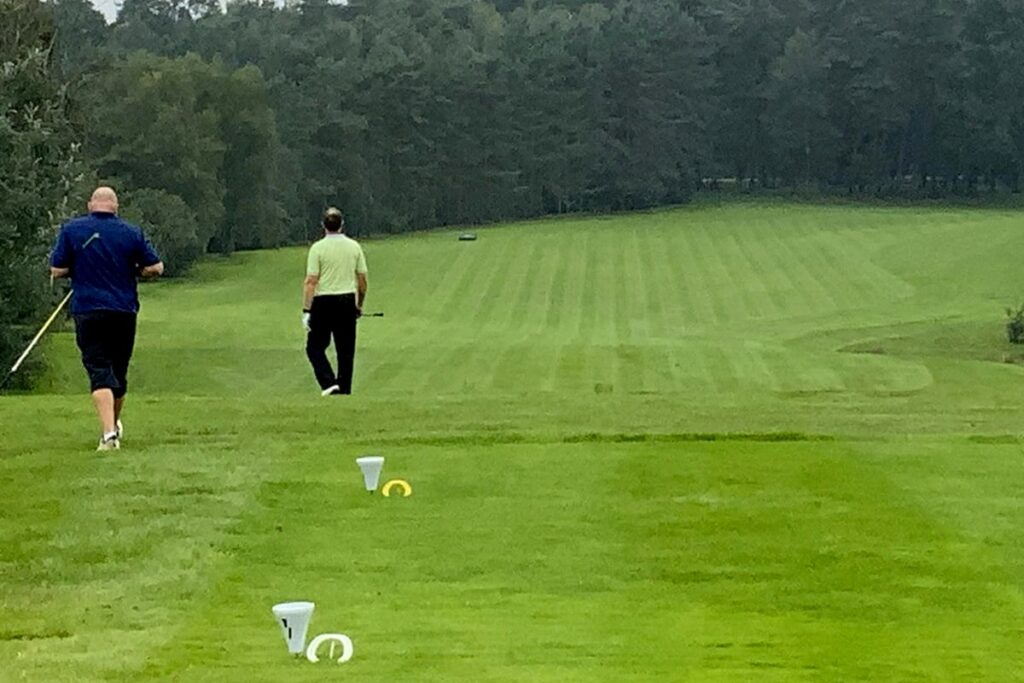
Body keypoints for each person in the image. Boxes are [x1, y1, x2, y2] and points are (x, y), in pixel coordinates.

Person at [50, 187, 164, 450]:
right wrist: (136, 270)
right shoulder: (131, 232)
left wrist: (78, 269)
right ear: (116, 206)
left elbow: (56, 269)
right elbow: (156, 267)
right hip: (123, 311)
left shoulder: (72, 229)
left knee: (99, 369)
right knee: (118, 372)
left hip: (88, 309)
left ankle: (109, 433)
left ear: (91, 204)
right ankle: (111, 428)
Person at [302, 207, 368, 395]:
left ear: (323, 225)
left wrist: (307, 310)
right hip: (346, 301)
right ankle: (343, 389)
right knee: (346, 351)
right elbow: (362, 281)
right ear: (342, 225)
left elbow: (311, 281)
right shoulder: (354, 247)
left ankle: (329, 383)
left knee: (314, 347)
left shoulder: (317, 249)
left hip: (323, 303)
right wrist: (359, 305)